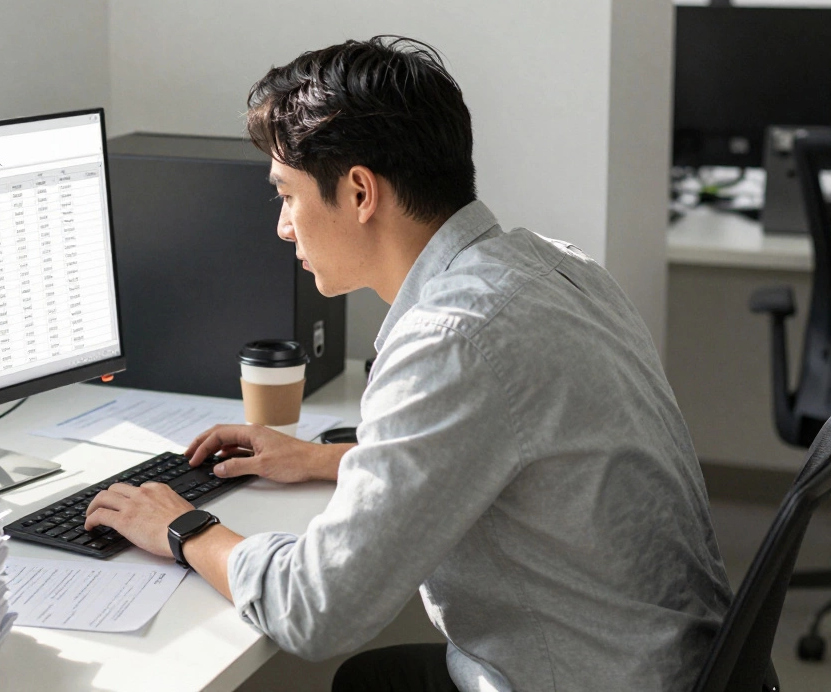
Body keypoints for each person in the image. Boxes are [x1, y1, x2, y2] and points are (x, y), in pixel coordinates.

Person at [82, 36, 732, 691]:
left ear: (360, 192)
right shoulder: (557, 267)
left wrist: (182, 526)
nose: (283, 227)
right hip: (676, 666)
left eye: (287, 195)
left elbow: (316, 611)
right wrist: (324, 459)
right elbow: (524, 459)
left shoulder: (452, 338)